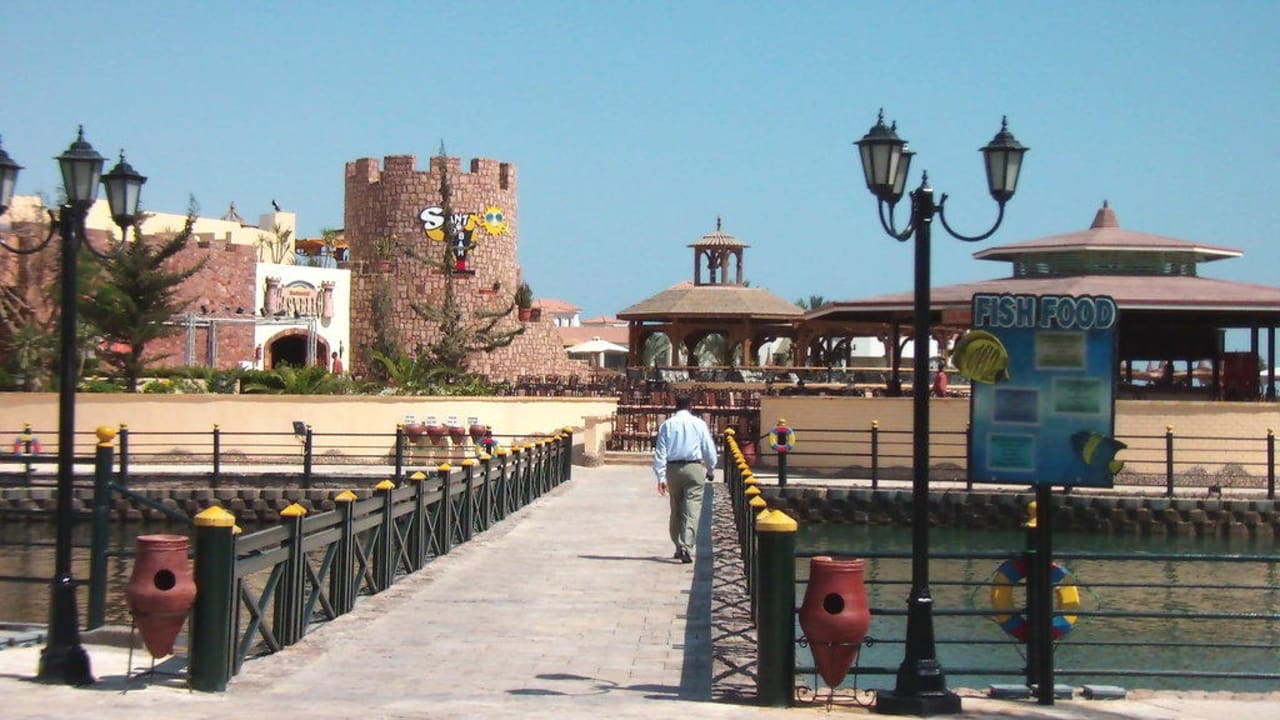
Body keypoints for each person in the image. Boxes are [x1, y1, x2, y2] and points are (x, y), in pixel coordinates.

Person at [652, 393, 718, 564]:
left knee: (676, 507)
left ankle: (677, 545)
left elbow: (660, 452)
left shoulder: (667, 425)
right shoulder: (698, 423)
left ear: (676, 405)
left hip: (673, 469)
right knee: (692, 508)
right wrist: (711, 469)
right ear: (690, 406)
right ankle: (686, 546)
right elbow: (708, 449)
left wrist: (660, 476)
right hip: (694, 467)